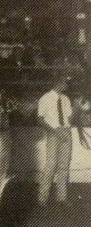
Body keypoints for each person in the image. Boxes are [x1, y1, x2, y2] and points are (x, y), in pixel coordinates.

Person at [37, 75, 74, 206]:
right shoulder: (45, 98)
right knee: (51, 165)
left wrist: (79, 111)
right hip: (53, 133)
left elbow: (69, 119)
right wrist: (55, 131)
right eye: (65, 82)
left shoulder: (66, 99)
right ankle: (42, 199)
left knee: (64, 166)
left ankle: (61, 198)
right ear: (58, 82)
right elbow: (40, 119)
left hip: (66, 132)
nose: (67, 85)